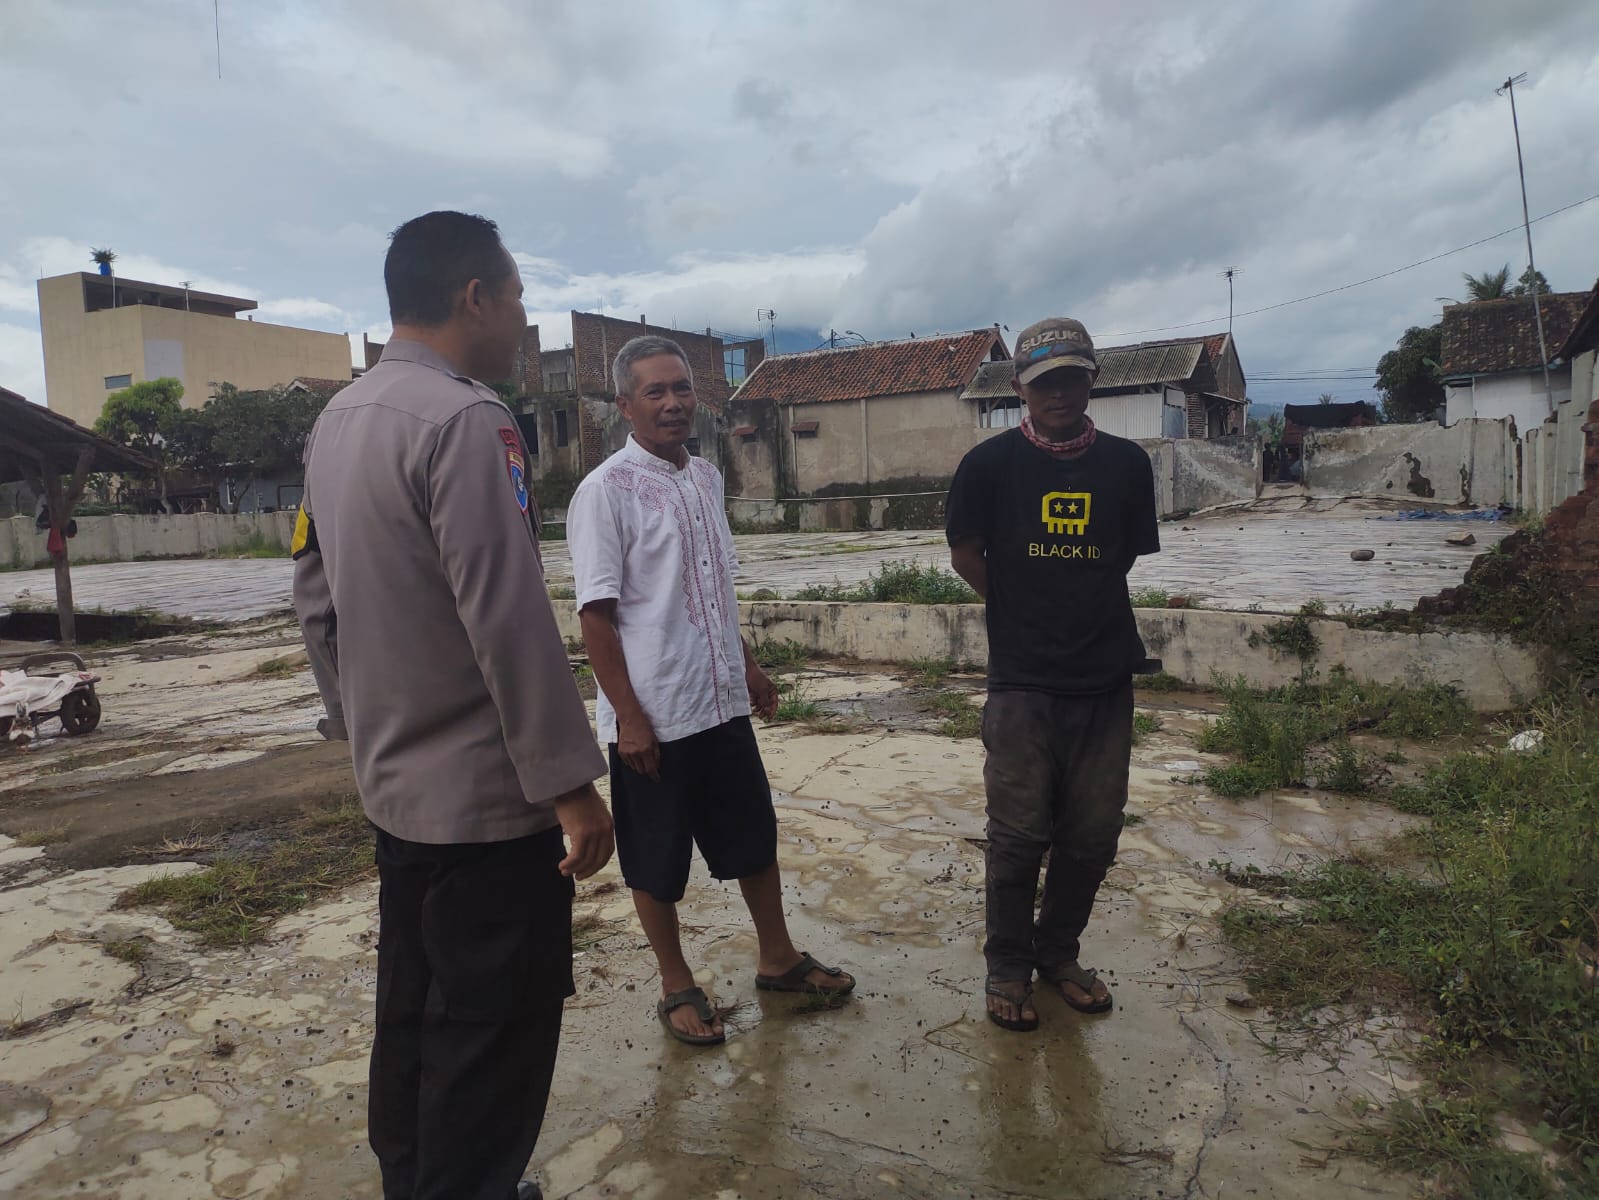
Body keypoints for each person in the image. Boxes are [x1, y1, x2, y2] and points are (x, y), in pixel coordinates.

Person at [293, 210, 613, 1200]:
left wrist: (360, 726)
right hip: (486, 809)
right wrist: (570, 785)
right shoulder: (469, 421)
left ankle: (416, 1181)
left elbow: (313, 595)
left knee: (414, 1015)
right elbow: (505, 615)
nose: (520, 321)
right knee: (492, 1041)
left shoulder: (338, 421)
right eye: (516, 298)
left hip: (397, 797)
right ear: (474, 297)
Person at [566, 334, 856, 1047]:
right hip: (655, 716)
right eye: (655, 392)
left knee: (753, 836)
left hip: (719, 700)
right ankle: (676, 983)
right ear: (625, 405)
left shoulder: (704, 477)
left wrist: (746, 665)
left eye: (682, 389)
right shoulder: (604, 492)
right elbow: (596, 616)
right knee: (656, 857)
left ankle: (777, 958)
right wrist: (629, 718)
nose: (673, 403)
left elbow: (713, 586)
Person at [945, 317, 1160, 1033]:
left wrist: (1074, 607)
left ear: (1091, 381)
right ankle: (1007, 966)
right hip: (1021, 681)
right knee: (1016, 833)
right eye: (1044, 383)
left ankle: (1058, 954)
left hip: (1105, 677)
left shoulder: (1126, 465)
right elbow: (967, 556)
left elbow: (1121, 557)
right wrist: (1025, 613)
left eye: (1071, 378)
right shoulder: (988, 466)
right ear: (1020, 389)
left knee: (1092, 833)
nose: (1058, 394)